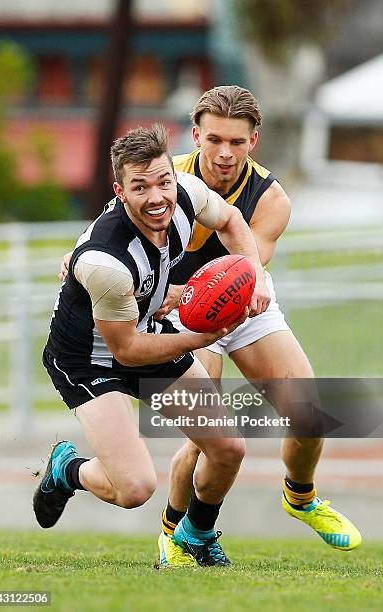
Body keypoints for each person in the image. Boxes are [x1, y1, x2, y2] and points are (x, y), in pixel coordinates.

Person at [34, 123, 271, 567]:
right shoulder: (108, 263)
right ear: (120, 192)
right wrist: (205, 335)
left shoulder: (187, 192)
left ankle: (195, 537)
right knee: (135, 489)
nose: (158, 196)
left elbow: (233, 222)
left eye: (163, 181)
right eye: (140, 187)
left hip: (143, 330)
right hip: (88, 359)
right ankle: (68, 470)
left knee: (228, 449)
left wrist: (253, 276)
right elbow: (126, 352)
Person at [153, 86, 361, 564]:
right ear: (195, 136)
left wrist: (183, 292)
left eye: (237, 142)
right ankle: (175, 534)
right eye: (214, 140)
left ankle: (301, 496)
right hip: (177, 314)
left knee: (310, 415)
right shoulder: (164, 180)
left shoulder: (272, 199)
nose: (224, 153)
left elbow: (240, 274)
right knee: (208, 432)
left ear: (255, 142)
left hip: (242, 299)